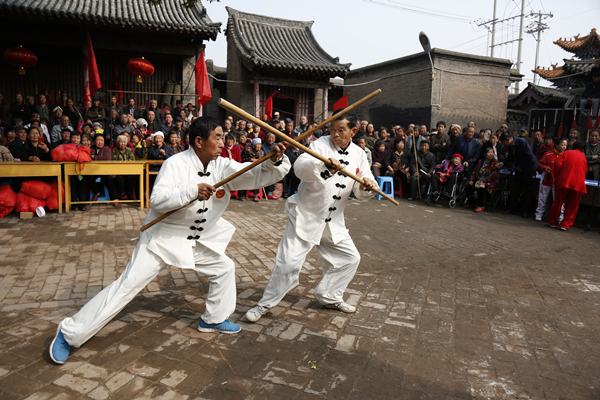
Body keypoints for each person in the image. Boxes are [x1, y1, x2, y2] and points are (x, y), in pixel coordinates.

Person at [49, 116, 290, 364]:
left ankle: (213, 319)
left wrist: (273, 161)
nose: (222, 142)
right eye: (217, 137)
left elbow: (251, 173)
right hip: (161, 239)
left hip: (193, 240)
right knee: (127, 286)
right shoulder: (175, 164)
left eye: (222, 137)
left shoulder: (222, 165)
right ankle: (69, 334)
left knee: (224, 268)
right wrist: (191, 191)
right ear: (199, 141)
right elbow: (158, 200)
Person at [245, 112, 377, 323]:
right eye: (332, 129)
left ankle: (329, 296)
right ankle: (265, 304)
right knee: (287, 263)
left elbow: (365, 179)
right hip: (306, 216)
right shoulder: (318, 146)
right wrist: (323, 167)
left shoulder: (359, 153)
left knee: (350, 259)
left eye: (340, 130)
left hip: (333, 221)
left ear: (353, 131)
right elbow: (300, 168)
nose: (335, 134)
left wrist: (368, 185)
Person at [548, 141, 588, 231]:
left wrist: (558, 176)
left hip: (564, 181)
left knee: (558, 202)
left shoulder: (566, 153)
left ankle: (553, 222)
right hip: (578, 183)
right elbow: (585, 170)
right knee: (572, 205)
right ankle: (565, 224)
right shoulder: (584, 158)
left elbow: (557, 164)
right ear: (583, 150)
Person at [498, 131, 539, 218]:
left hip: (529, 168)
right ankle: (511, 209)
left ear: (508, 139)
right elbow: (510, 158)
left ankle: (525, 211)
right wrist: (502, 163)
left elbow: (528, 155)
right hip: (519, 169)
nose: (503, 144)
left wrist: (521, 166)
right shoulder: (509, 146)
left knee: (528, 191)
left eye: (503, 142)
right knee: (516, 189)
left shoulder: (522, 142)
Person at [535, 137, 568, 221]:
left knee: (559, 200)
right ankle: (539, 214)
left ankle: (560, 217)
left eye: (565, 145)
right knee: (542, 198)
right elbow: (540, 164)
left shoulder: (566, 156)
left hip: (558, 181)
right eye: (562, 145)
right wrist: (546, 168)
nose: (564, 147)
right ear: (556, 145)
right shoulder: (548, 154)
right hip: (547, 179)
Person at [465, 147, 501, 212]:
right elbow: (475, 171)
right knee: (468, 187)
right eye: (489, 152)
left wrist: (484, 181)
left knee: (481, 187)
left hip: (490, 182)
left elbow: (493, 175)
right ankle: (471, 203)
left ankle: (481, 206)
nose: (491, 154)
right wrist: (472, 179)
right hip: (478, 180)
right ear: (485, 154)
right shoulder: (481, 161)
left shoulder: (495, 163)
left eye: (492, 152)